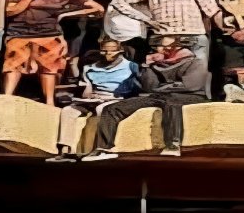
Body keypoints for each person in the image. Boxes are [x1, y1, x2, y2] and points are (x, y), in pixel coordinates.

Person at [80, 35, 211, 160]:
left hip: (191, 96)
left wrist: (162, 88)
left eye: (162, 46)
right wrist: (147, 66)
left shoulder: (195, 61)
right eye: (158, 46)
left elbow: (191, 86)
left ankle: (173, 144)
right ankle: (104, 148)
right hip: (159, 96)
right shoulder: (156, 62)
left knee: (171, 104)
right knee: (111, 108)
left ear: (175, 48)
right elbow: (149, 87)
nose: (158, 49)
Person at [1, 0, 100, 105]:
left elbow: (97, 8)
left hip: (49, 35)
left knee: (49, 69)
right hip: (19, 33)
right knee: (13, 66)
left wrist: (65, 14)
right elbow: (10, 12)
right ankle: (7, 99)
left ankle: (49, 102)